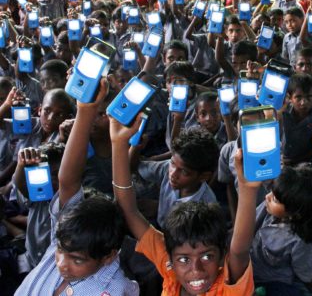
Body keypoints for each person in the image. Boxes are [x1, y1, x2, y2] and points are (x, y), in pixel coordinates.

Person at [109, 112, 258, 295]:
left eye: (207, 256)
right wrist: (118, 143)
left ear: (222, 258)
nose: (196, 270)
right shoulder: (169, 268)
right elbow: (128, 210)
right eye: (183, 260)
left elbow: (239, 249)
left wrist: (247, 189)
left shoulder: (227, 290)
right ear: (170, 258)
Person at [14, 79, 139, 296]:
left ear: (109, 257)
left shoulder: (114, 290)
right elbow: (67, 181)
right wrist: (85, 111)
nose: (62, 263)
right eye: (60, 249)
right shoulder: (68, 239)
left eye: (77, 259)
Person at [251, 164, 312, 295]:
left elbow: (304, 273)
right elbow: (250, 226)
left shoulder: (301, 242)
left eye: (275, 199)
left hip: (273, 279)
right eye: (271, 191)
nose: (267, 197)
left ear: (294, 213)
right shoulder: (268, 208)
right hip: (250, 266)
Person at [135, 126, 219, 230]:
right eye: (172, 163)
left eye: (184, 172)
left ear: (204, 176)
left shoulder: (206, 208)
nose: (173, 174)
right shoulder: (168, 168)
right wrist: (136, 147)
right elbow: (134, 167)